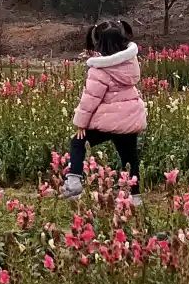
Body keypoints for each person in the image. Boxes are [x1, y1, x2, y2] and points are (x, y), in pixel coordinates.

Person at [61, 18, 147, 202]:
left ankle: (74, 181)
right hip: (130, 118)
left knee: (78, 142)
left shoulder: (99, 70)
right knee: (129, 157)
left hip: (108, 121)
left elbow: (90, 100)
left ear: (98, 43)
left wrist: (80, 123)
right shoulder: (131, 62)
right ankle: (135, 196)